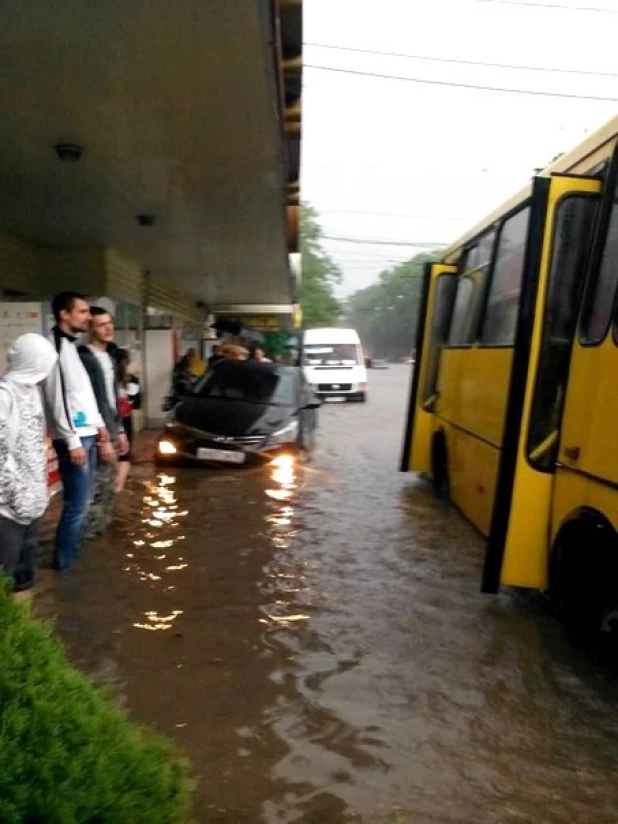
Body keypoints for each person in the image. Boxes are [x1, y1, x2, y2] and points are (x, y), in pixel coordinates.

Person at [43, 291, 111, 571]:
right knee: (77, 505)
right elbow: (56, 400)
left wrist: (100, 426)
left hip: (87, 433)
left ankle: (73, 559)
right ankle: (64, 566)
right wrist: (72, 441)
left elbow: (82, 394)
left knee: (83, 503)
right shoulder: (54, 348)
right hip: (74, 438)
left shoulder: (71, 348)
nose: (88, 317)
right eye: (82, 312)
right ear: (64, 314)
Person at [0, 334, 58, 600]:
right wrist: (17, 497)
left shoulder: (32, 393)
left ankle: (24, 636)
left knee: (24, 580)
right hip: (7, 512)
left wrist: (38, 496)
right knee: (4, 580)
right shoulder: (4, 397)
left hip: (32, 507)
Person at [78, 308, 129, 537]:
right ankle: (88, 539)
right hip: (95, 433)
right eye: (101, 325)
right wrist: (103, 438)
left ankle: (100, 537)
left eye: (110, 323)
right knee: (96, 489)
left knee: (108, 487)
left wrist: (120, 430)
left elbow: (112, 397)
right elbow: (88, 401)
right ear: (89, 328)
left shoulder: (109, 357)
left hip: (111, 429)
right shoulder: (84, 358)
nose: (108, 328)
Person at [114, 347, 141, 493]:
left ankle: (113, 485)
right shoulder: (131, 381)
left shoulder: (108, 378)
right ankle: (119, 487)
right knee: (125, 455)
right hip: (125, 420)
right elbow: (135, 403)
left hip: (109, 420)